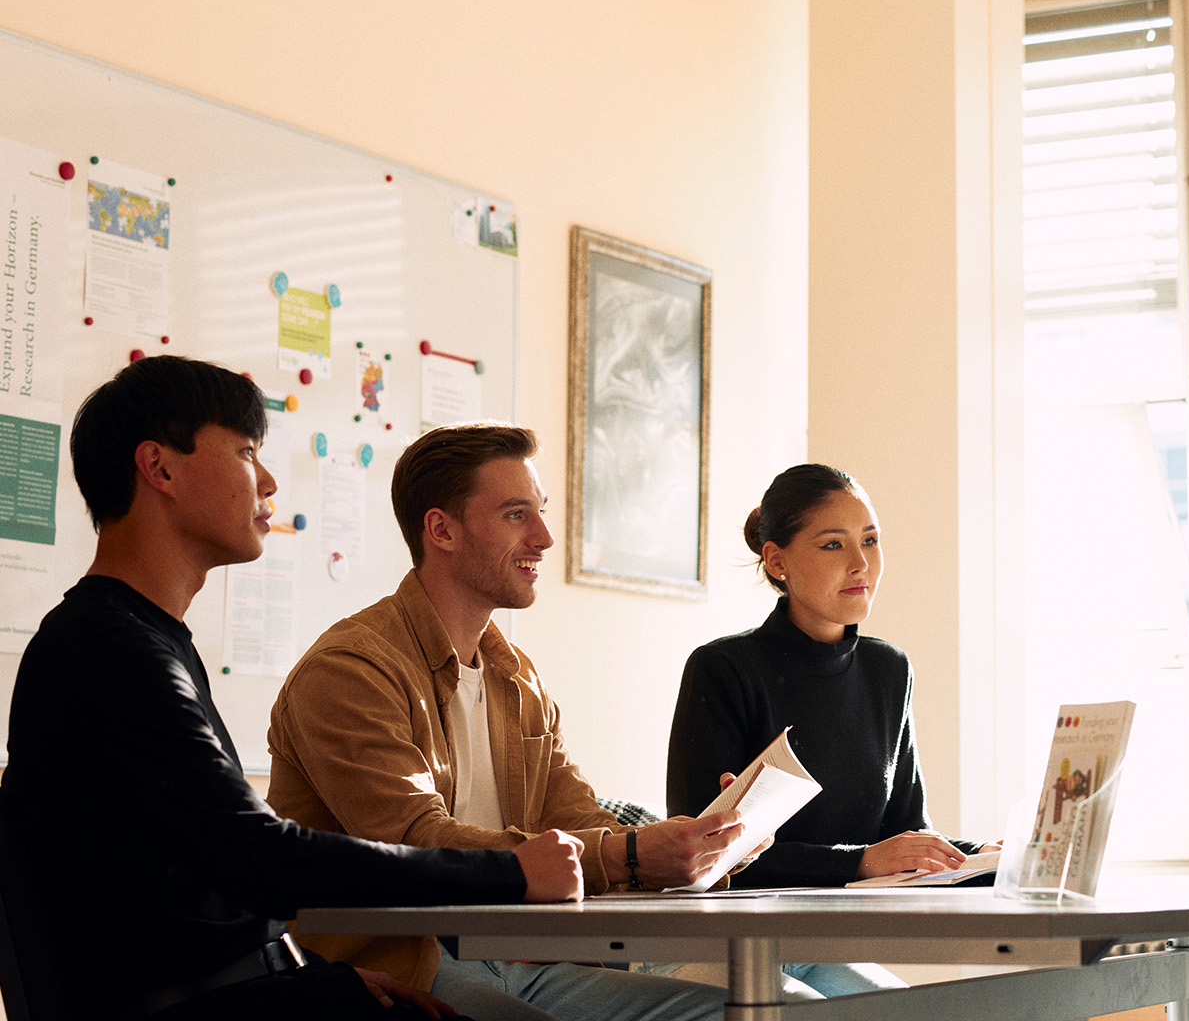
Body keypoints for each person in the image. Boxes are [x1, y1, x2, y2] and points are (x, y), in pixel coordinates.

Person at [1, 356, 585, 1021]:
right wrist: (509, 874)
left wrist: (328, 980)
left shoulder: (143, 639)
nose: (270, 479)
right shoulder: (113, 651)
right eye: (248, 451)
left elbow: (220, 873)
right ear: (160, 468)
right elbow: (260, 858)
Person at [266, 422, 749, 1021]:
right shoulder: (350, 670)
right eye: (517, 515)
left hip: (528, 958)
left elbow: (580, 821)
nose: (545, 537)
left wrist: (701, 847)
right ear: (441, 528)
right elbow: (415, 842)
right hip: (406, 968)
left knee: (745, 1012)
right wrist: (624, 854)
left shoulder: (515, 675)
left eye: (539, 512)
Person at [664, 464, 989, 995]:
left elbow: (904, 834)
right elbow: (698, 858)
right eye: (833, 545)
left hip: (813, 947)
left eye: (871, 540)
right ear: (778, 560)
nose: (862, 563)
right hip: (715, 943)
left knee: (911, 1012)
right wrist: (860, 860)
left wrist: (993, 857)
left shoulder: (890, 671)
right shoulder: (723, 668)